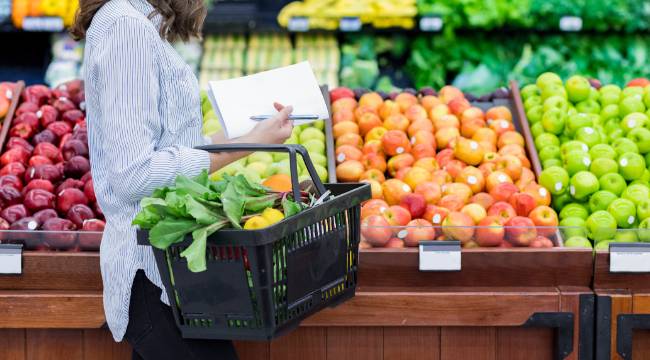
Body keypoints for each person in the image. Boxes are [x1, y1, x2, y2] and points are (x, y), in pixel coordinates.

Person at [70, 0, 293, 358]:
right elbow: (134, 174)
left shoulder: (136, 23)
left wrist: (252, 136)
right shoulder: (127, 29)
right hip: (152, 277)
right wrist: (238, 151)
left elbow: (172, 149)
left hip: (174, 275)